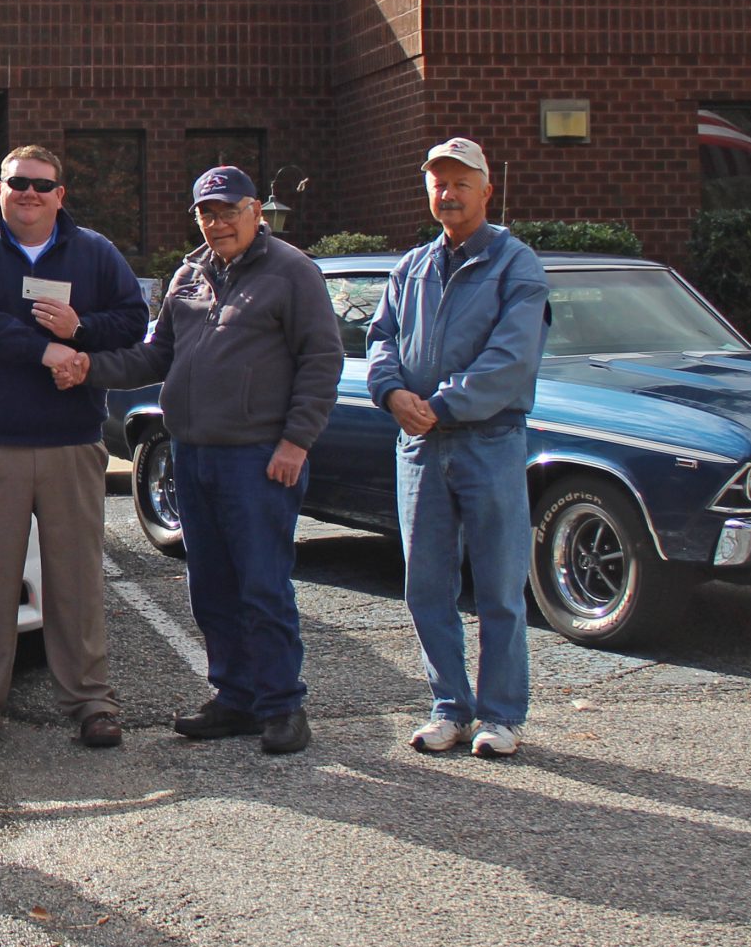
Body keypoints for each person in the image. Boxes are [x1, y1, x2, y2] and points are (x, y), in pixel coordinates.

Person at [63, 167, 341, 755]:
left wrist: (296, 442)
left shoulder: (293, 272)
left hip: (260, 458)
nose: (218, 222)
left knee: (262, 585)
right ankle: (234, 697)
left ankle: (283, 706)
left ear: (257, 210)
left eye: (229, 210)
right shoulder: (190, 274)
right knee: (210, 584)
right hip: (192, 454)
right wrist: (90, 366)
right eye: (207, 213)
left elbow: (321, 360)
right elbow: (156, 356)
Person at [0, 146, 145, 747]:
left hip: (70, 445)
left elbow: (132, 320)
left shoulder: (95, 253)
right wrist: (43, 349)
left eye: (42, 185)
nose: (29, 194)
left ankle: (91, 704)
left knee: (76, 583)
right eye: (18, 183)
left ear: (60, 195)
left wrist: (79, 331)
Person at [364, 138, 550, 759]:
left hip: (488, 440)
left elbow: (512, 356)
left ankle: (500, 715)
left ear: (486, 190)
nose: (448, 193)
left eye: (460, 182)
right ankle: (449, 708)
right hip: (417, 447)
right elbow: (381, 338)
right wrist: (392, 394)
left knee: (498, 587)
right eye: (438, 182)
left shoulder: (515, 263)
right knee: (426, 587)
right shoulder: (410, 267)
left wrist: (439, 404)